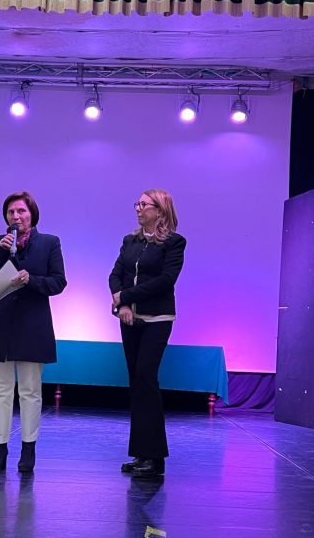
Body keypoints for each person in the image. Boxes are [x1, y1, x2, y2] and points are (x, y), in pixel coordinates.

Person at [0, 191, 67, 473]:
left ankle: (28, 448)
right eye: (11, 212)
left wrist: (32, 280)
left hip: (32, 325)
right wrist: (0, 253)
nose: (16, 216)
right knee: (0, 390)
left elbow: (58, 282)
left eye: (21, 211)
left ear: (32, 214)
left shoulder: (49, 243)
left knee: (30, 391)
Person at [109, 189, 186, 478]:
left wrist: (125, 296)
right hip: (130, 319)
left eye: (144, 204)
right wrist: (123, 305)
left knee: (146, 378)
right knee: (137, 383)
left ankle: (155, 457)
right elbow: (115, 275)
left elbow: (165, 281)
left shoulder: (174, 243)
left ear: (160, 210)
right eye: (137, 204)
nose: (138, 208)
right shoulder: (130, 241)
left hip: (158, 320)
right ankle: (141, 454)